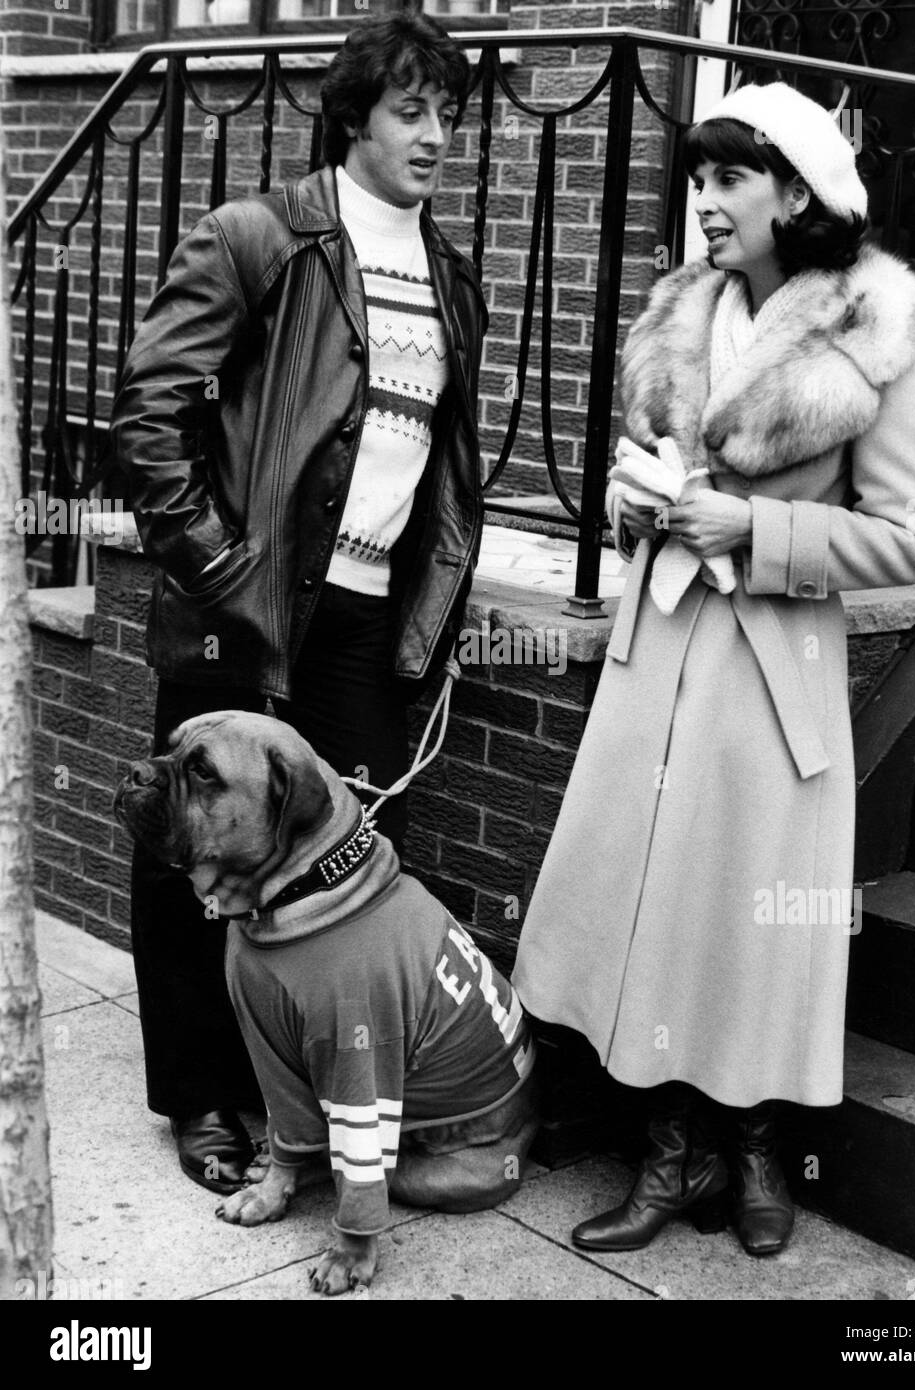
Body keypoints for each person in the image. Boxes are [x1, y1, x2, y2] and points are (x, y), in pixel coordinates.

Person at [512, 82, 915, 1257]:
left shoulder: (875, 330)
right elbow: (637, 466)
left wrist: (754, 531)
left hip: (768, 672)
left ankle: (750, 1151)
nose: (704, 203)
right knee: (652, 901)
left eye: (729, 179)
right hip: (658, 658)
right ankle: (668, 1149)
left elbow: (907, 539)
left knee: (744, 921)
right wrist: (632, 500)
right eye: (698, 179)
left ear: (794, 195)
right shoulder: (678, 316)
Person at [109, 11, 487, 1195]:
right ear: (353, 117)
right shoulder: (259, 238)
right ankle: (204, 1098)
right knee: (194, 845)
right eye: (410, 110)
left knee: (345, 867)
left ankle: (324, 1106)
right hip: (246, 606)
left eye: (448, 114)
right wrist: (219, 564)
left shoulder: (450, 275)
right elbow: (148, 415)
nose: (435, 136)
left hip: (370, 625)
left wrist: (435, 609)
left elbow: (444, 465)